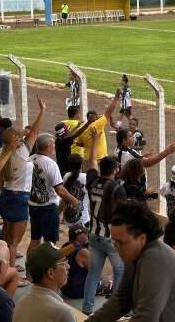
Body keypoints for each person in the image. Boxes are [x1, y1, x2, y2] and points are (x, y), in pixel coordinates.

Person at [86, 200, 175, 322]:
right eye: (114, 242)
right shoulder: (133, 254)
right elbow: (121, 300)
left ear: (142, 238)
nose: (116, 248)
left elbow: (146, 317)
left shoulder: (156, 259)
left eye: (121, 243)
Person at [0, 96, 46, 272]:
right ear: (16, 141)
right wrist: (42, 110)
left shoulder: (1, 152)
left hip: (5, 197)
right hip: (19, 199)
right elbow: (35, 132)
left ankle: (2, 264)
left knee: (6, 236)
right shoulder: (21, 152)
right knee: (13, 243)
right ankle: (10, 273)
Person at [82, 128, 126, 316]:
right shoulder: (117, 189)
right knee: (120, 273)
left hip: (94, 235)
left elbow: (91, 163)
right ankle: (114, 313)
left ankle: (86, 310)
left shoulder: (92, 181)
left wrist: (93, 143)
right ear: (115, 170)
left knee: (93, 273)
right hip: (111, 239)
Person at [28, 133, 81, 253]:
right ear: (48, 146)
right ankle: (47, 269)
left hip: (33, 204)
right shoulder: (50, 164)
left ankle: (30, 270)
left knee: (35, 239)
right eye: (53, 144)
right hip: (48, 207)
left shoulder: (30, 159)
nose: (54, 147)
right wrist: (74, 200)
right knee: (50, 243)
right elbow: (60, 190)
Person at [13, 242, 75, 322]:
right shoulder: (62, 312)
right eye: (63, 263)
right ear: (50, 273)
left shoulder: (21, 303)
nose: (68, 266)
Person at [61, 224, 112, 300]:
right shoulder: (83, 252)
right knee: (110, 282)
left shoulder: (66, 245)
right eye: (85, 233)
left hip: (64, 287)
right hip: (76, 290)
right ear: (79, 236)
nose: (87, 235)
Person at [75, 91, 119, 162]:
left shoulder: (82, 130)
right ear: (95, 117)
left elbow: (78, 143)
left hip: (87, 159)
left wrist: (88, 143)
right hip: (99, 159)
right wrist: (116, 98)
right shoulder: (98, 124)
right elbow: (108, 112)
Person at [62, 154, 91, 227]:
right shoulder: (85, 177)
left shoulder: (66, 176)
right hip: (83, 219)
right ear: (81, 165)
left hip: (68, 218)